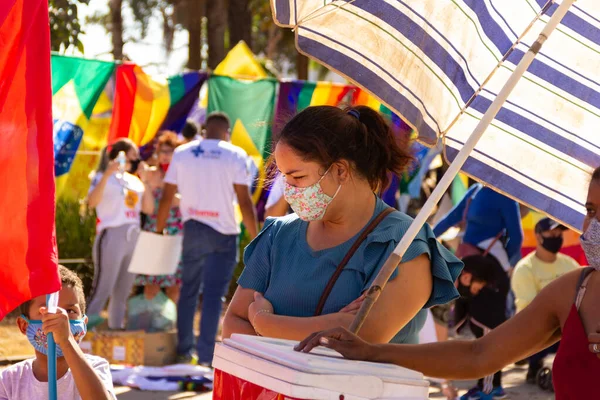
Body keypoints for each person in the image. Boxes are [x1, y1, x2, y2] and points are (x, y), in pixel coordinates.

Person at [297, 166, 600, 400]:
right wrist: (371, 352)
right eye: (590, 211)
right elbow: (477, 355)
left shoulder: (503, 200)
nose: (594, 224)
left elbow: (516, 236)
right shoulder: (572, 291)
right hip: (472, 263)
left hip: (491, 267)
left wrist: (506, 265)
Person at [223, 105, 463, 347]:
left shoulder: (405, 242)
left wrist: (264, 322)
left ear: (340, 170)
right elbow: (233, 325)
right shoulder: (277, 234)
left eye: (297, 178)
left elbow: (363, 336)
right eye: (284, 178)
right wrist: (333, 323)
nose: (289, 191)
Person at [156, 111, 259, 366]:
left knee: (188, 291)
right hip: (224, 234)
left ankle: (184, 351)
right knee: (214, 296)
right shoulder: (235, 154)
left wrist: (158, 231)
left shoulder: (183, 153)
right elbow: (245, 201)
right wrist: (256, 237)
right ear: (226, 133)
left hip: (193, 230)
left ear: (204, 131)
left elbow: (167, 196)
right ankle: (205, 356)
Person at [433, 183, 523, 398]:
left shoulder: (506, 194)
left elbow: (516, 238)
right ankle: (484, 384)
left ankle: (490, 387)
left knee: (490, 328)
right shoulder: (475, 190)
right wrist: (424, 236)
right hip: (471, 268)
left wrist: (497, 269)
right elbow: (450, 219)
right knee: (476, 327)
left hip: (490, 273)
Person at [0, 266, 115, 400]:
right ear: (24, 325)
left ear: (84, 323)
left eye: (70, 311)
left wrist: (67, 341)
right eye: (47, 311)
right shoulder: (10, 381)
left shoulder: (95, 368)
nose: (61, 318)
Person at [86, 138, 154, 329]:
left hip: (133, 235)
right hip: (112, 234)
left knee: (123, 290)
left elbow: (148, 208)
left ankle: (116, 328)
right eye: (131, 157)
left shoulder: (135, 181)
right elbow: (91, 202)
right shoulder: (101, 176)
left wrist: (146, 181)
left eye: (136, 158)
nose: (135, 162)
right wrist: (107, 174)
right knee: (104, 285)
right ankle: (84, 329)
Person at [512, 217, 579, 383]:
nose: (556, 236)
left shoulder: (569, 264)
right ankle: (535, 366)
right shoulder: (525, 268)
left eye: (559, 233)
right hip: (536, 327)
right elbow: (530, 309)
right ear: (538, 236)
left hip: (566, 324)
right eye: (552, 232)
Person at [134, 131, 184, 304]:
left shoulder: (183, 174)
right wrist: (146, 181)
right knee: (151, 280)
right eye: (162, 151)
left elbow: (185, 202)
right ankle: (149, 321)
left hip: (177, 230)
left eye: (169, 151)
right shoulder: (151, 174)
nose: (164, 156)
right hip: (154, 229)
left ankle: (173, 325)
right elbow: (146, 207)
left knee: (175, 284)